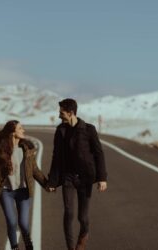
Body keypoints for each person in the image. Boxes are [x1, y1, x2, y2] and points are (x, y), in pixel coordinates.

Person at [47, 98, 108, 250]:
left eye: (61, 112)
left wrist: (102, 178)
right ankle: (70, 248)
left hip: (85, 178)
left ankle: (84, 233)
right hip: (68, 177)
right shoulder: (60, 131)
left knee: (83, 217)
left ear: (71, 112)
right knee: (68, 213)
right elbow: (56, 156)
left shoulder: (88, 129)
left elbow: (99, 154)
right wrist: (52, 181)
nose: (59, 115)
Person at [0, 120, 48, 250]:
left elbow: (34, 170)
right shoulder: (3, 150)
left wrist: (47, 184)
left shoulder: (27, 149)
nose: (23, 130)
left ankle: (28, 242)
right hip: (6, 191)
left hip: (23, 191)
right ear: (13, 132)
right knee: (11, 222)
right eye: (20, 128)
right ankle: (15, 247)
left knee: (24, 224)